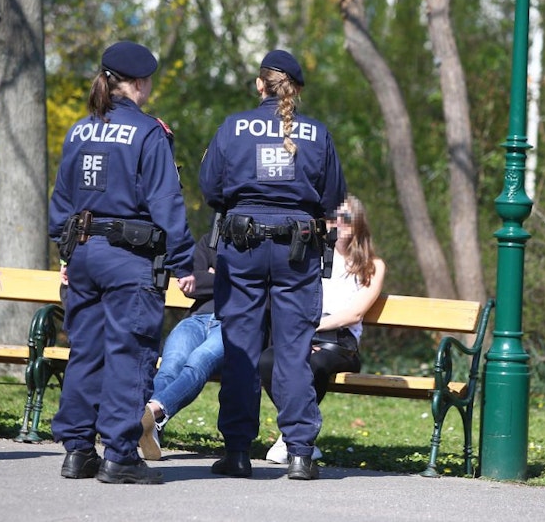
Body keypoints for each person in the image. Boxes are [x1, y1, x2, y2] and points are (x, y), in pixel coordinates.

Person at [48, 40, 196, 485]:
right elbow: (166, 202)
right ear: (139, 83)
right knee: (129, 354)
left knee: (86, 351)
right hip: (130, 259)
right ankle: (119, 455)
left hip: (85, 254)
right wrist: (185, 260)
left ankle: (77, 452)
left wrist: (66, 251)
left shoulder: (80, 130)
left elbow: (61, 199)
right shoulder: (149, 133)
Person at [199, 49, 346, 480]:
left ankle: (238, 452)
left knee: (241, 348)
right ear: (295, 90)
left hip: (241, 244)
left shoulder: (232, 127)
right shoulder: (317, 134)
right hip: (297, 248)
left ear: (260, 85)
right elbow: (335, 197)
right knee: (293, 351)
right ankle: (300, 453)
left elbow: (211, 187)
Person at [260, 194, 385, 464]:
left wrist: (311, 329)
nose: (338, 223)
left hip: (339, 343)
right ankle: (298, 433)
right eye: (331, 217)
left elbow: (355, 313)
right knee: (268, 360)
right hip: (305, 333)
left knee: (311, 364)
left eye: (346, 218)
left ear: (358, 224)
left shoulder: (371, 266)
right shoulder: (310, 257)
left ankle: (294, 438)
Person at [138, 231, 223, 461]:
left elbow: (254, 290)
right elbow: (190, 284)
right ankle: (151, 429)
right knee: (170, 366)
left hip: (232, 323)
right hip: (196, 319)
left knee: (198, 362)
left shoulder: (256, 248)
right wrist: (228, 280)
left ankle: (151, 412)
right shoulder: (210, 240)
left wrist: (212, 277)